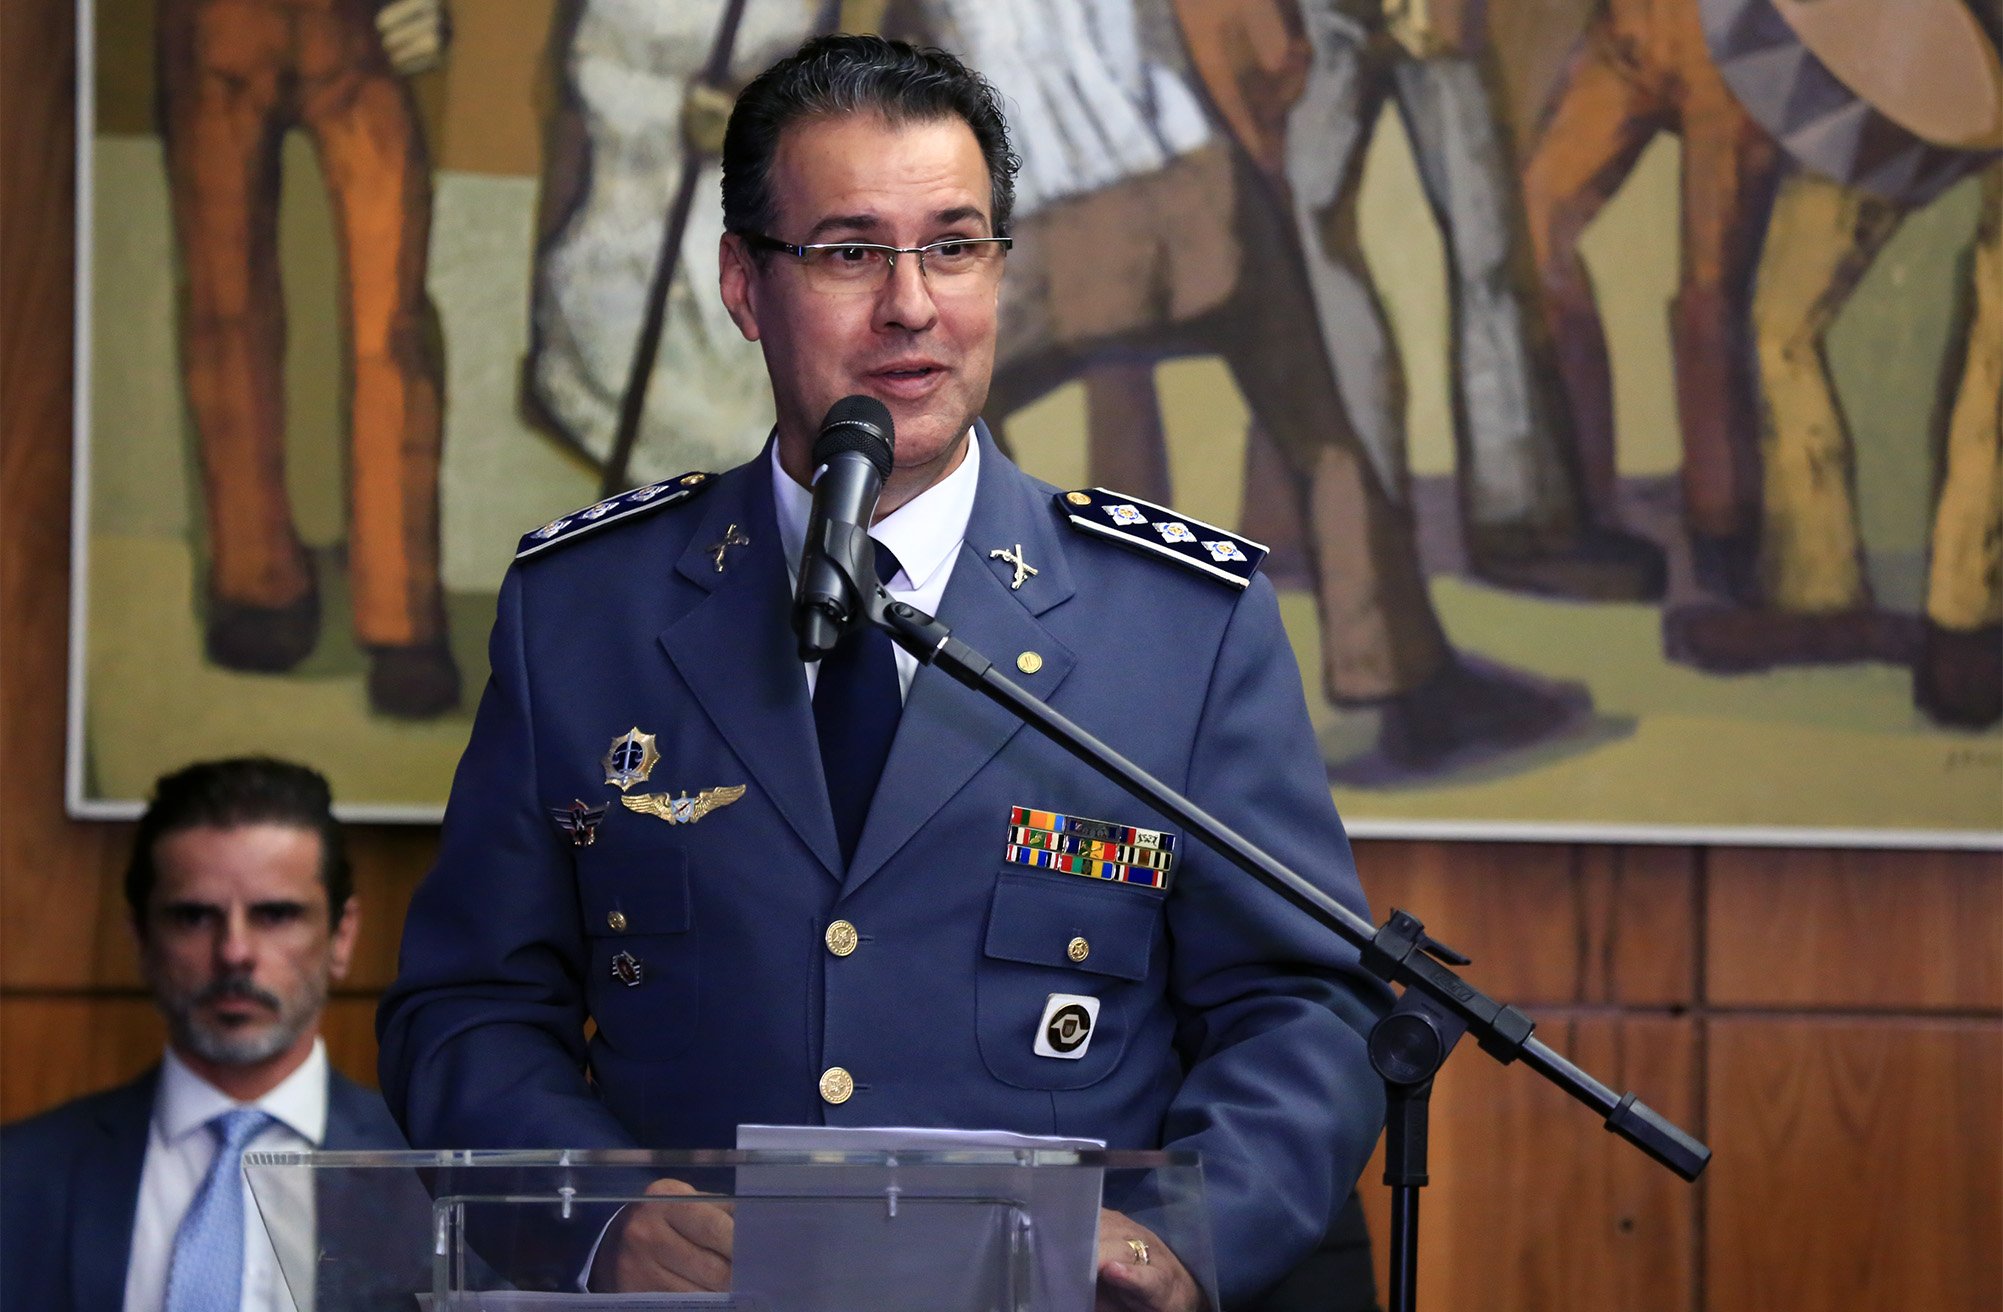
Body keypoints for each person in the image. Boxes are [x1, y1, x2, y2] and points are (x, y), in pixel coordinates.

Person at [377, 34, 1390, 1311]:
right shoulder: (584, 613)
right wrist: (596, 1213)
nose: (911, 304)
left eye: (954, 245)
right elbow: (466, 1007)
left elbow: (1306, 1004)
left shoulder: (1179, 625)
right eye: (850, 251)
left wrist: (1180, 1237)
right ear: (745, 284)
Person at [0, 757, 408, 1312]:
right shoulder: (20, 1177)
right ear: (141, 939)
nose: (234, 952)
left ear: (342, 936)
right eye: (193, 917)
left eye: (275, 914)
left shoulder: (429, 1177)